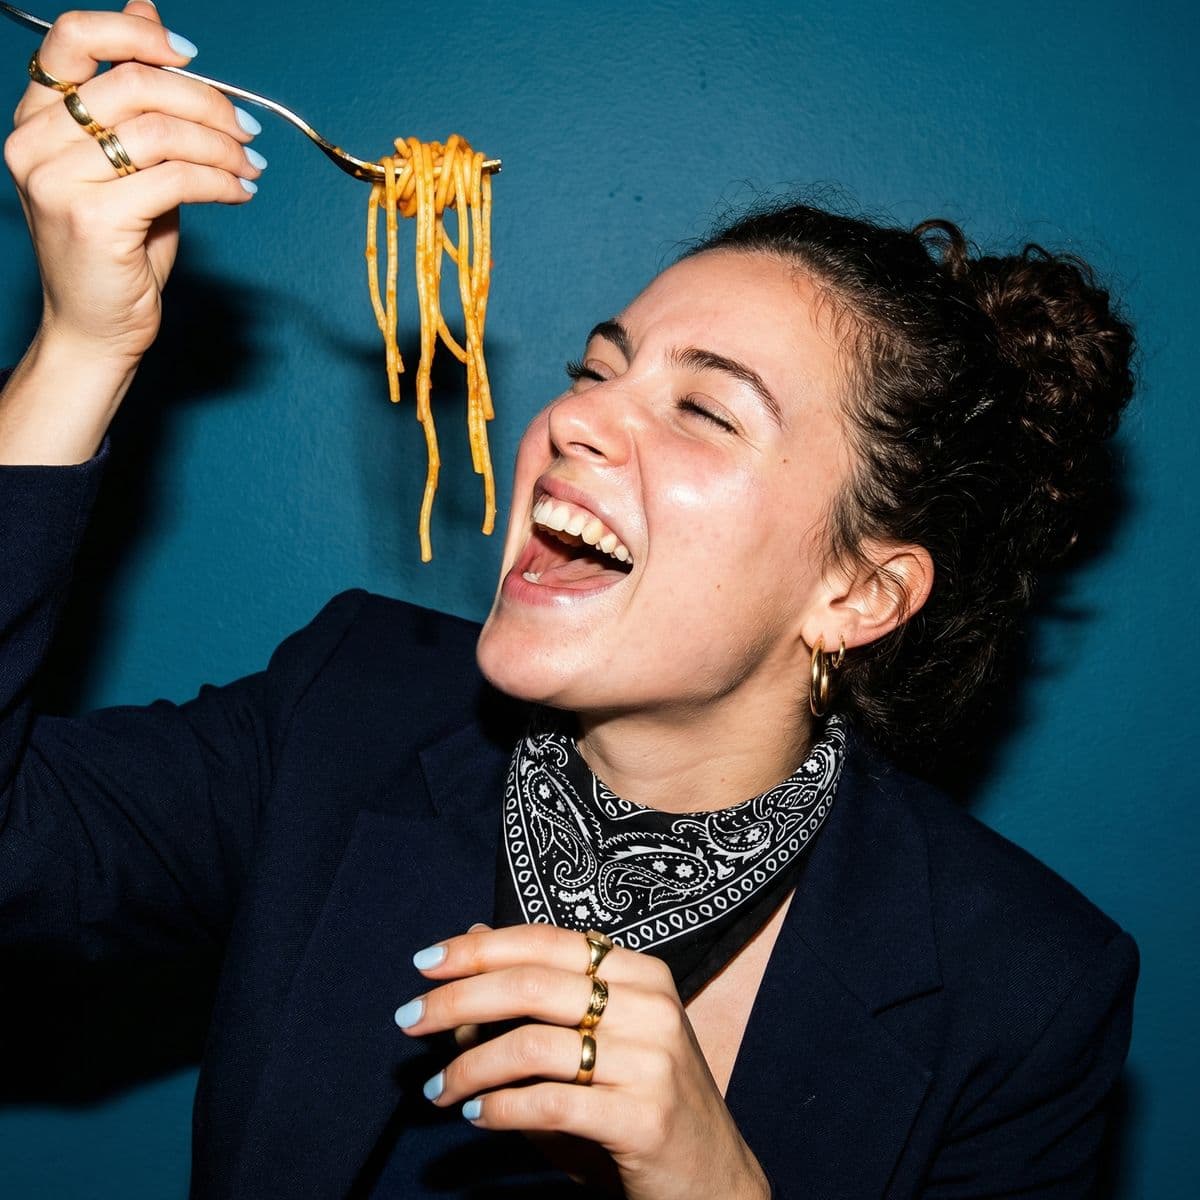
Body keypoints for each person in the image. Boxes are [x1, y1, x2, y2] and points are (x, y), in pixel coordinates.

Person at [1, 4, 1139, 1198]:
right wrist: (85, 343)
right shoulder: (345, 710)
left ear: (859, 592)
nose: (574, 420)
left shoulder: (1027, 991)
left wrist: (712, 1180)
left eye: (705, 410)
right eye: (595, 371)